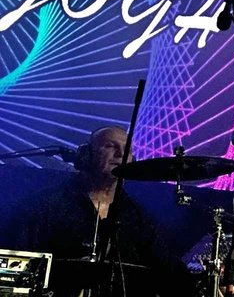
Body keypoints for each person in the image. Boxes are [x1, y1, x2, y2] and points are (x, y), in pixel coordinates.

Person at [4, 125, 195, 297]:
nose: (120, 154)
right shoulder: (43, 206)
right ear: (86, 156)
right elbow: (12, 270)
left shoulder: (139, 219)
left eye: (127, 150)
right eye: (110, 146)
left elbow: (174, 277)